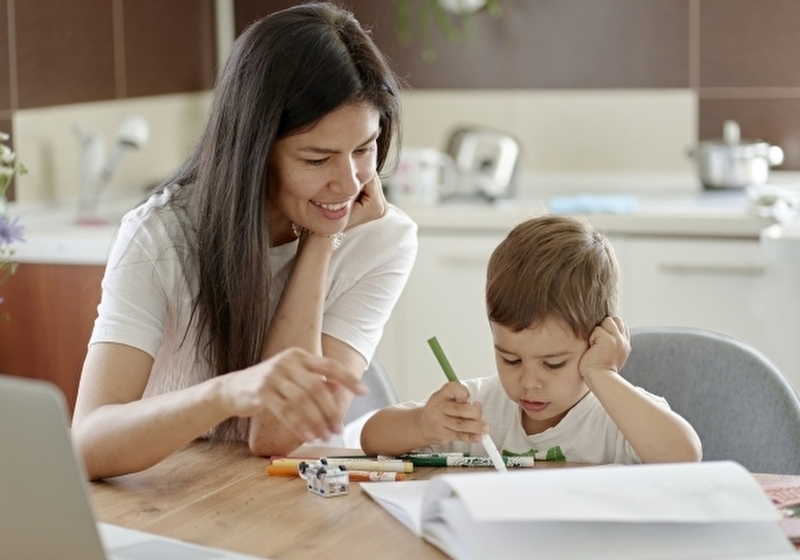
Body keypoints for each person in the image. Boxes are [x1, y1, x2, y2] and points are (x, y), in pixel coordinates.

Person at [72, 2, 417, 480]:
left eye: (364, 148)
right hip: (176, 490)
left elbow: (279, 436)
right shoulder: (161, 235)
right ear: (253, 150)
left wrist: (321, 240)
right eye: (317, 160)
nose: (350, 182)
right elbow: (87, 444)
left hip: (293, 498)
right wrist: (227, 393)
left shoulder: (381, 237)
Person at [361, 215, 702, 464]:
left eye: (553, 363)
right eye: (510, 359)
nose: (528, 382)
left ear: (597, 341)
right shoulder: (481, 409)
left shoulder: (615, 415)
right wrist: (423, 425)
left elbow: (684, 456)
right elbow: (372, 437)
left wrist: (603, 373)